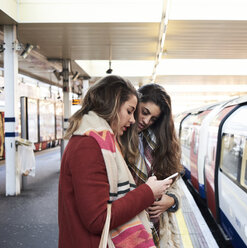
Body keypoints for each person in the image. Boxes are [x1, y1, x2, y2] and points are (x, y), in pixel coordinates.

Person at [58, 75, 172, 248]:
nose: (133, 120)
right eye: (129, 110)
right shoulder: (89, 146)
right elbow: (98, 220)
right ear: (113, 104)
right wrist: (148, 192)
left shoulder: (96, 141)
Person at [126, 83, 183, 247]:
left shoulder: (162, 143)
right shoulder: (118, 136)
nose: (146, 121)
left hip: (157, 226)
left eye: (153, 119)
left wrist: (171, 201)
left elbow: (174, 184)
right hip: (128, 223)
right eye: (144, 112)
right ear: (135, 102)